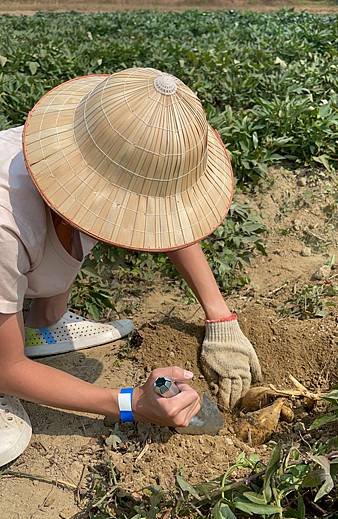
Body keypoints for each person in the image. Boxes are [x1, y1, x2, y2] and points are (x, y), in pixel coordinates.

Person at [0, 68, 261, 467]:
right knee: (10, 401)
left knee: (48, 315)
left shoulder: (104, 142)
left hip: (27, 241)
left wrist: (219, 315)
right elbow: (10, 367)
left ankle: (30, 321)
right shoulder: (7, 224)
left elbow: (168, 211)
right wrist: (131, 403)